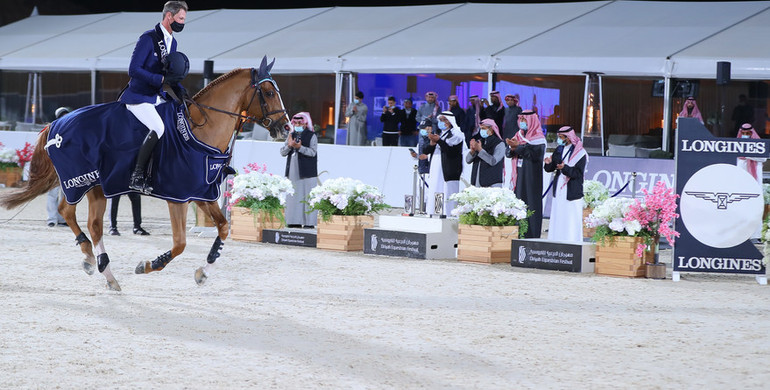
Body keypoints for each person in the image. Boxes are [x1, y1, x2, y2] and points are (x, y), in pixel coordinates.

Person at [121, 1, 189, 195]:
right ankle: (137, 176)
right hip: (139, 96)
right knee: (158, 127)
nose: (183, 23)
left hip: (156, 96)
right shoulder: (148, 38)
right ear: (169, 16)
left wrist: (180, 88)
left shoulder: (173, 42)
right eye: (180, 19)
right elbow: (133, 69)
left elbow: (169, 73)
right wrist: (158, 79)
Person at [505, 111, 547, 238]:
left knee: (531, 203)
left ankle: (532, 235)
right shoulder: (518, 135)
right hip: (519, 176)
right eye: (521, 119)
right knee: (519, 202)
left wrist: (518, 147)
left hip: (532, 177)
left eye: (525, 119)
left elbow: (534, 155)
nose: (522, 122)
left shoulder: (538, 138)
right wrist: (512, 148)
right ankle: (519, 232)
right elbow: (508, 153)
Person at [544, 126, 587, 244]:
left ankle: (571, 242)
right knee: (558, 215)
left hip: (572, 190)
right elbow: (552, 167)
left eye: (561, 137)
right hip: (559, 189)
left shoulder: (580, 153)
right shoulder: (559, 149)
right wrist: (548, 164)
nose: (559, 139)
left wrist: (565, 168)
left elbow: (578, 173)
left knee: (570, 219)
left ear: (568, 138)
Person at [280, 112, 319, 228]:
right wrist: (290, 145)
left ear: (305, 123)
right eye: (295, 122)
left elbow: (312, 152)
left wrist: (300, 148)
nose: (297, 124)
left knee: (308, 197)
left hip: (307, 171)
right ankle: (293, 221)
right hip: (292, 169)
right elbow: (282, 152)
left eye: (299, 123)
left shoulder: (312, 135)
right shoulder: (290, 135)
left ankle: (309, 223)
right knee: (293, 196)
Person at [423, 111, 465, 216]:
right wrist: (432, 144)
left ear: (450, 121)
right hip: (436, 168)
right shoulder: (441, 134)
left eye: (444, 120)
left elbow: (451, 152)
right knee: (436, 189)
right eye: (440, 120)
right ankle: (437, 211)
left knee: (447, 192)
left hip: (449, 170)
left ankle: (449, 214)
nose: (441, 122)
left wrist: (439, 141)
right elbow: (426, 151)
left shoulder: (456, 134)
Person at [736, 123, 765, 239]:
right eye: (743, 133)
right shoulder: (736, 146)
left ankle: (755, 235)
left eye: (748, 133)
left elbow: (762, 157)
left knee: (755, 208)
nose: (745, 135)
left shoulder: (759, 146)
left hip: (755, 182)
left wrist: (748, 153)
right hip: (741, 184)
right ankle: (741, 235)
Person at [46, 107, 71, 227]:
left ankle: (62, 218)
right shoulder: (51, 130)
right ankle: (51, 218)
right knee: (53, 193)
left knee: (65, 193)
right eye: (62, 115)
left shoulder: (72, 129)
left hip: (66, 165)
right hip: (54, 164)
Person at [466, 119, 505, 188]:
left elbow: (493, 161)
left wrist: (480, 150)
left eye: (483, 128)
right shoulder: (480, 142)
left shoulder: (499, 144)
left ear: (491, 130)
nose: (481, 131)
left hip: (492, 183)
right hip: (477, 182)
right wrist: (472, 151)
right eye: (480, 129)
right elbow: (468, 160)